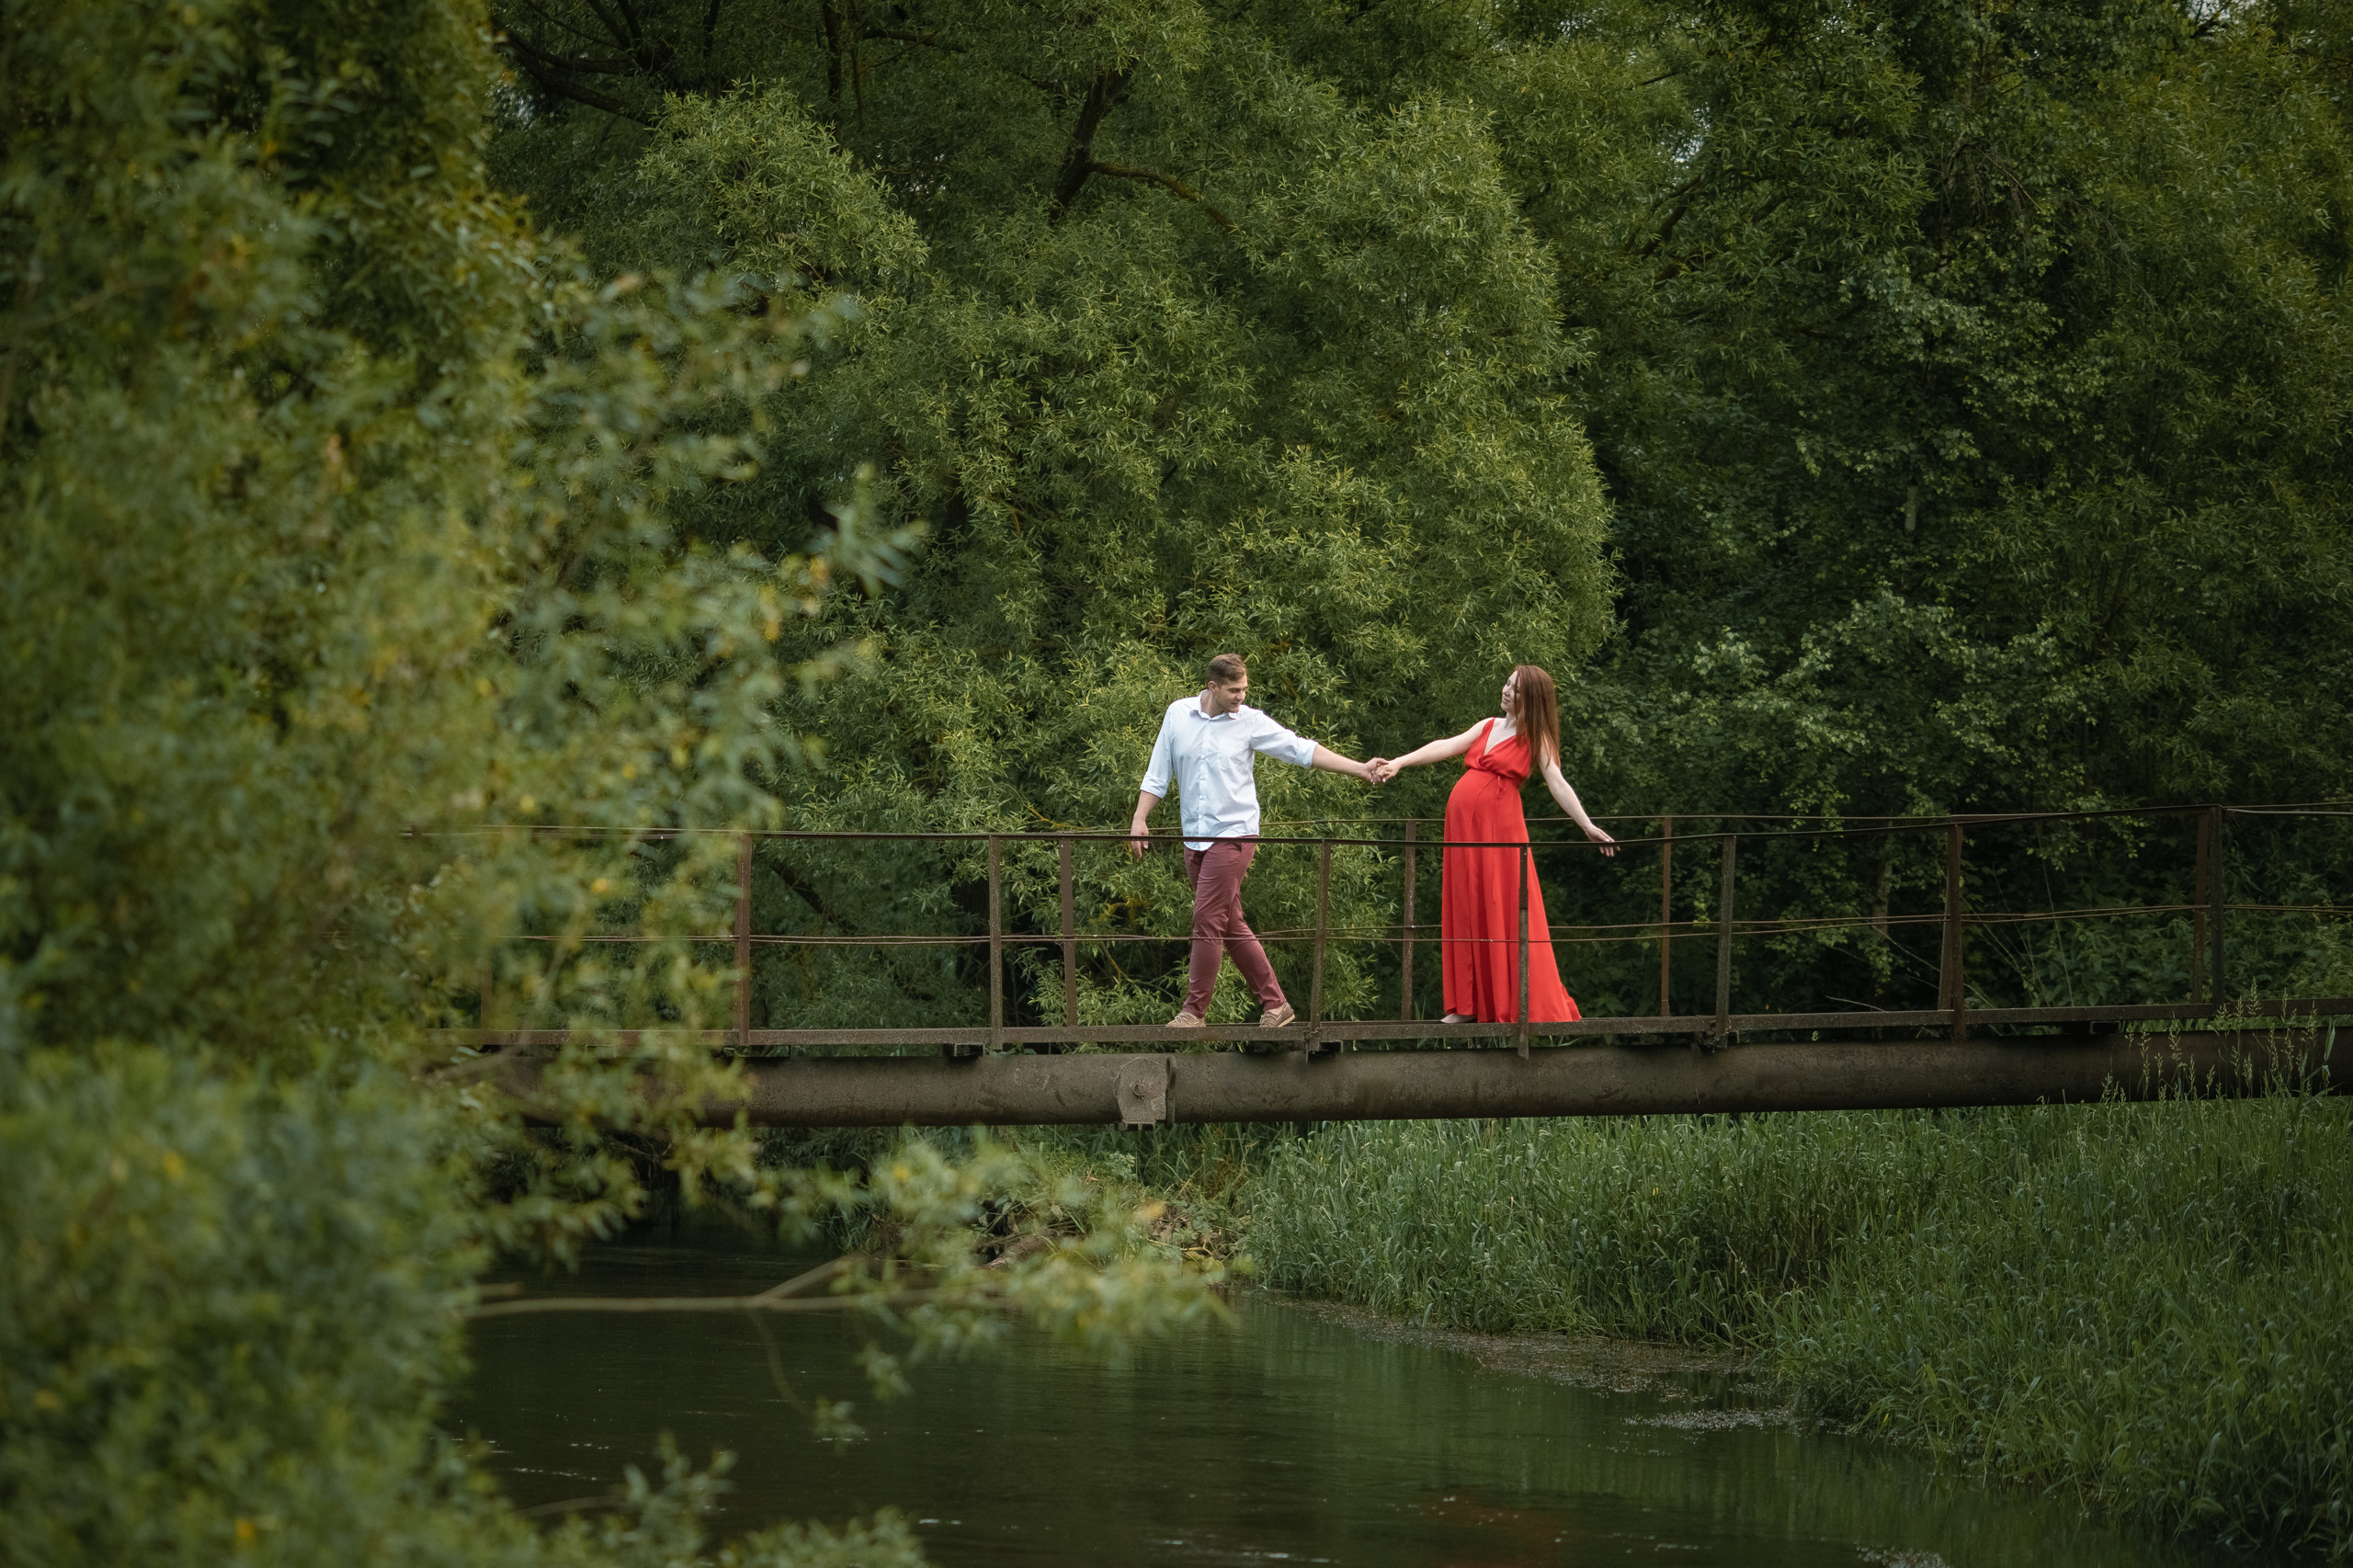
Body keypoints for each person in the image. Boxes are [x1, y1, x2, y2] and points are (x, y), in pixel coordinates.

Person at [1131, 653, 1380, 1028]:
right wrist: (1140, 817)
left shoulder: (1249, 722)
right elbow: (1158, 771)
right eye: (1234, 690)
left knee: (1206, 920)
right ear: (1212, 687)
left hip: (1234, 835)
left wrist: (1359, 768)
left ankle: (1193, 1012)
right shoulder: (1178, 714)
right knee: (1229, 923)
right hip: (1194, 838)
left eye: (1245, 689)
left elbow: (1301, 750)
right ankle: (1276, 1005)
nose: (1241, 697)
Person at [1370, 665, 1616, 1024]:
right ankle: (1467, 1005)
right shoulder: (1488, 726)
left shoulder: (1536, 736)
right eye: (1507, 684)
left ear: (1530, 699)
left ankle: (1507, 1003)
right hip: (1465, 830)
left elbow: (1557, 783)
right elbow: (1445, 746)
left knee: (1498, 903)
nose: (1506, 691)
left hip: (1498, 830)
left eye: (1515, 690)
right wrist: (1400, 762)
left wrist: (1587, 825)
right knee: (1468, 904)